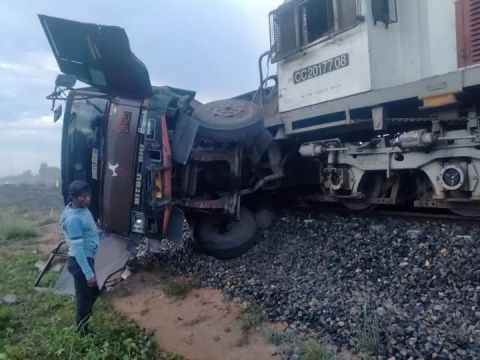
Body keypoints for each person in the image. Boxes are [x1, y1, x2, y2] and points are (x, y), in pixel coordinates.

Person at [60, 180, 100, 333]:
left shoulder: (79, 208)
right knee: (84, 298)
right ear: (73, 198)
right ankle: (81, 331)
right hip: (80, 261)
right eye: (84, 196)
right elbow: (77, 249)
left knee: (94, 292)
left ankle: (81, 321)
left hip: (84, 259)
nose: (88, 198)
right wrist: (88, 273)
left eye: (89, 195)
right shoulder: (74, 219)